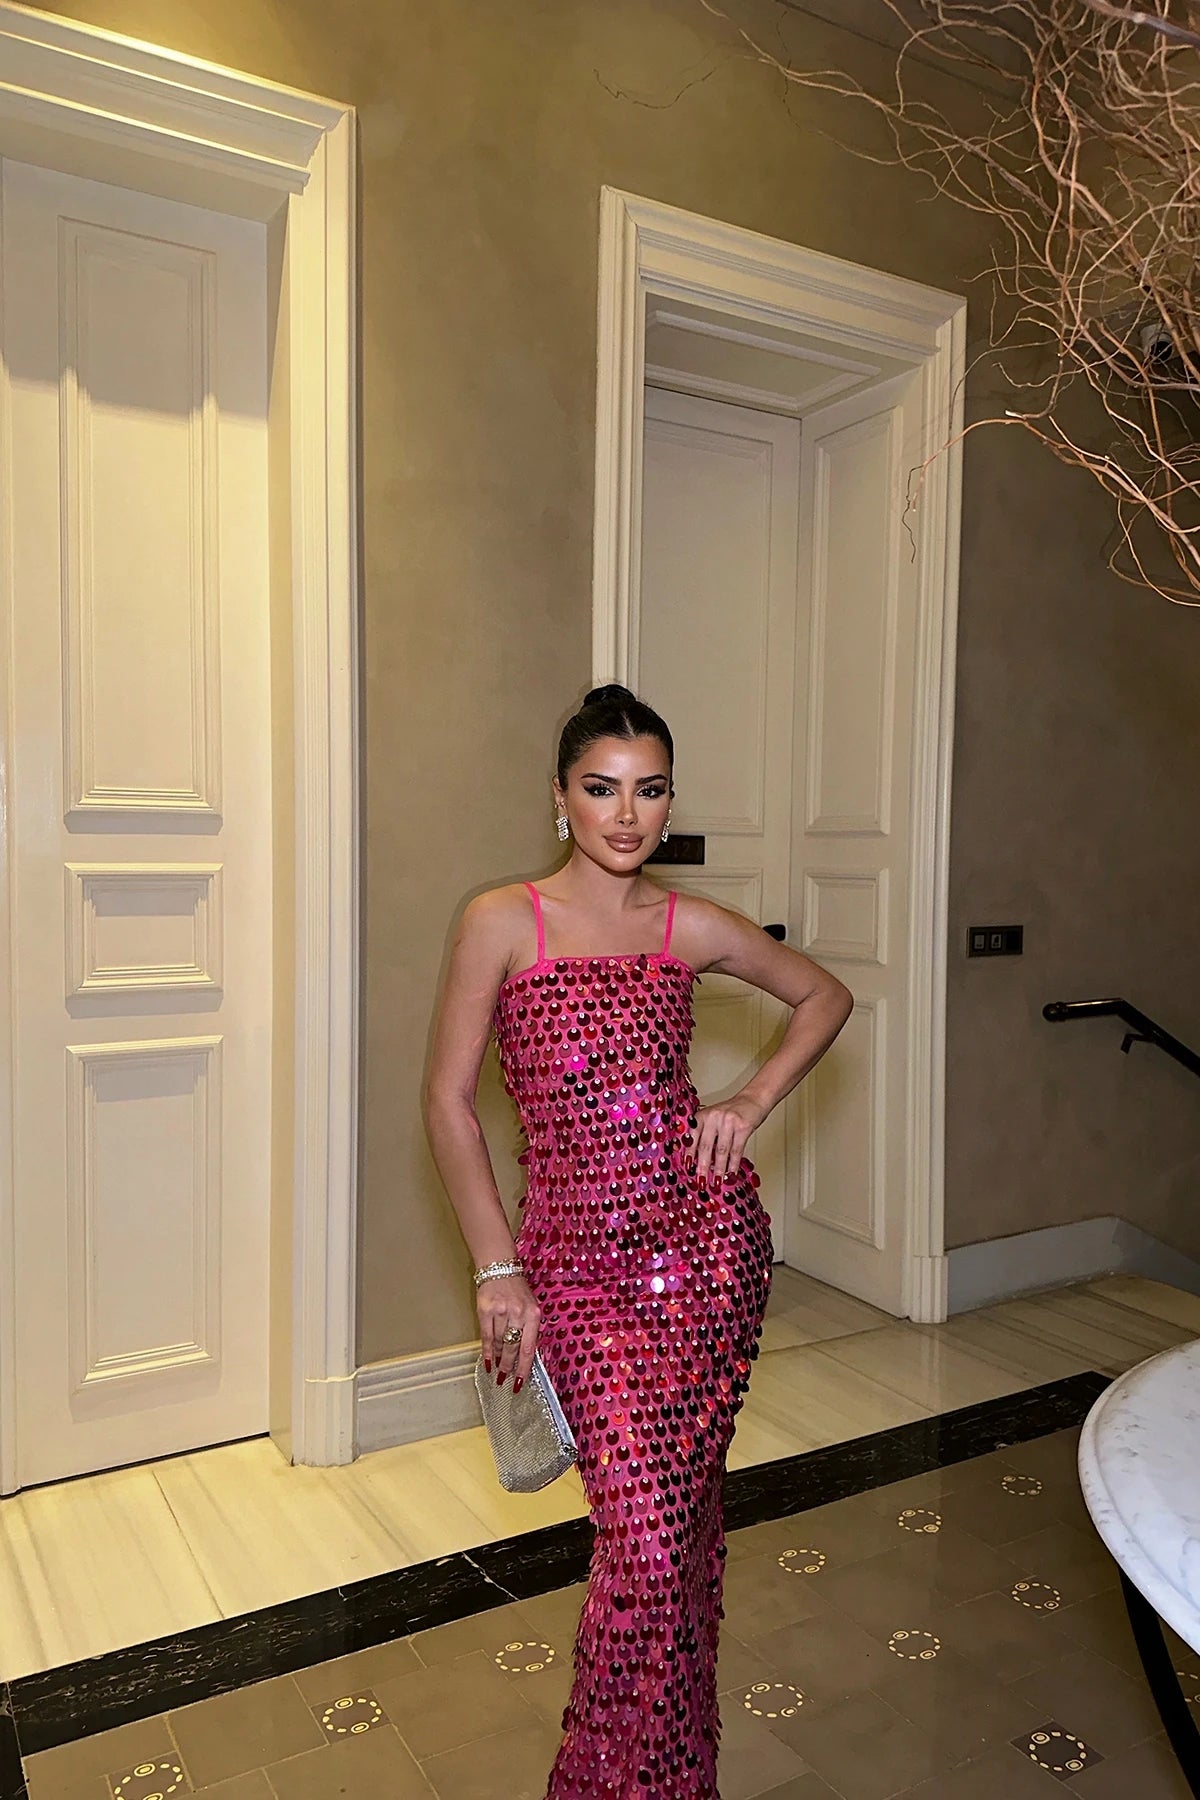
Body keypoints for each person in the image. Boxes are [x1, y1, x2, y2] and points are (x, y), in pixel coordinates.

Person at [423, 684, 854, 1798]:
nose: (626, 815)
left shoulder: (685, 927)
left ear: (670, 801)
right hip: (573, 1271)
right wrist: (498, 1269)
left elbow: (822, 995)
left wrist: (748, 1100)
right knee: (650, 1546)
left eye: (649, 791)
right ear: (559, 797)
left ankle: (667, 1775)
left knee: (676, 1534)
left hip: (703, 1258)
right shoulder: (501, 920)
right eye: (602, 789)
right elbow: (448, 1103)